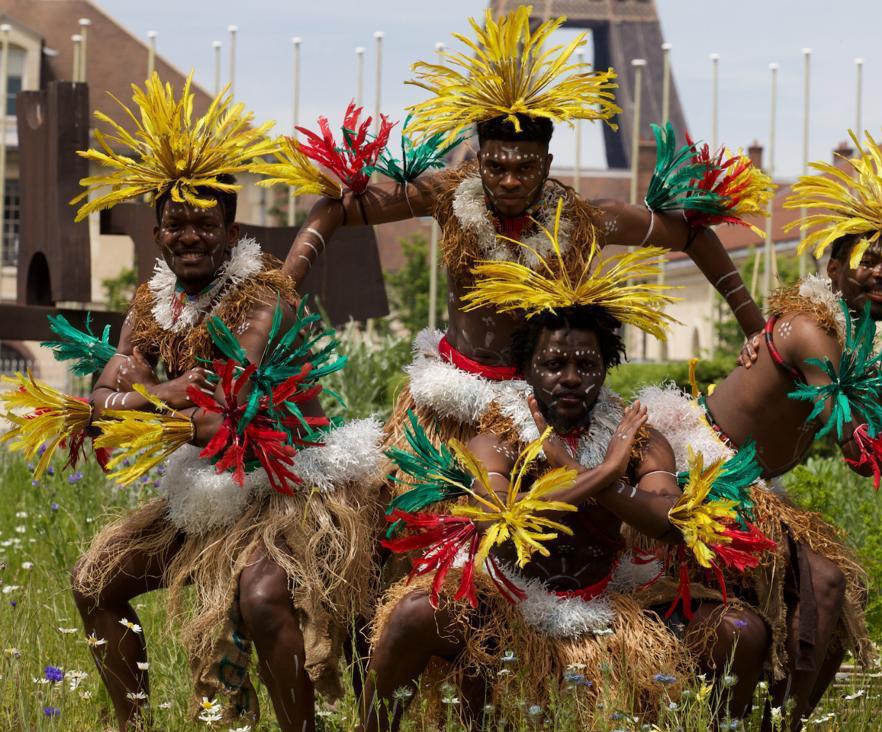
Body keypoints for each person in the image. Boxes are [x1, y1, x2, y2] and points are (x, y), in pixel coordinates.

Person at [256, 6, 771, 453]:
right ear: (478, 159)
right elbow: (338, 206)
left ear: (546, 164)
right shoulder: (445, 196)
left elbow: (693, 232)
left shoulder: (585, 219)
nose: (509, 180)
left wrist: (753, 326)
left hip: (543, 408)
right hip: (451, 399)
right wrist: (287, 285)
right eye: (496, 166)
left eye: (524, 168)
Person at [639, 131, 882, 732]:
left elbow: (870, 439)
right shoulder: (814, 331)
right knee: (823, 583)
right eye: (870, 261)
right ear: (834, 268)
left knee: (834, 594)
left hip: (754, 484)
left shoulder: (851, 343)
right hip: (703, 472)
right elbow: (856, 443)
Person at [61, 74, 384, 732]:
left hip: (289, 483)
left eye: (205, 224)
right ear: (157, 232)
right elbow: (103, 397)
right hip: (210, 483)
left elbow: (224, 403)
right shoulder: (152, 305)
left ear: (231, 231)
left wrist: (141, 394)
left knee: (263, 599)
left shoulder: (262, 297)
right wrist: (152, 391)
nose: (190, 237)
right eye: (176, 225)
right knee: (94, 579)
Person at [357, 304, 770, 732]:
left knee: (741, 630)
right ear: (528, 369)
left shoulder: (638, 438)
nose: (571, 377)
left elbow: (671, 522)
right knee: (415, 613)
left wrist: (585, 471)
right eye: (554, 364)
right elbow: (499, 517)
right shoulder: (497, 437)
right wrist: (604, 472)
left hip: (609, 602)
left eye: (586, 364)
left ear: (606, 367)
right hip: (509, 606)